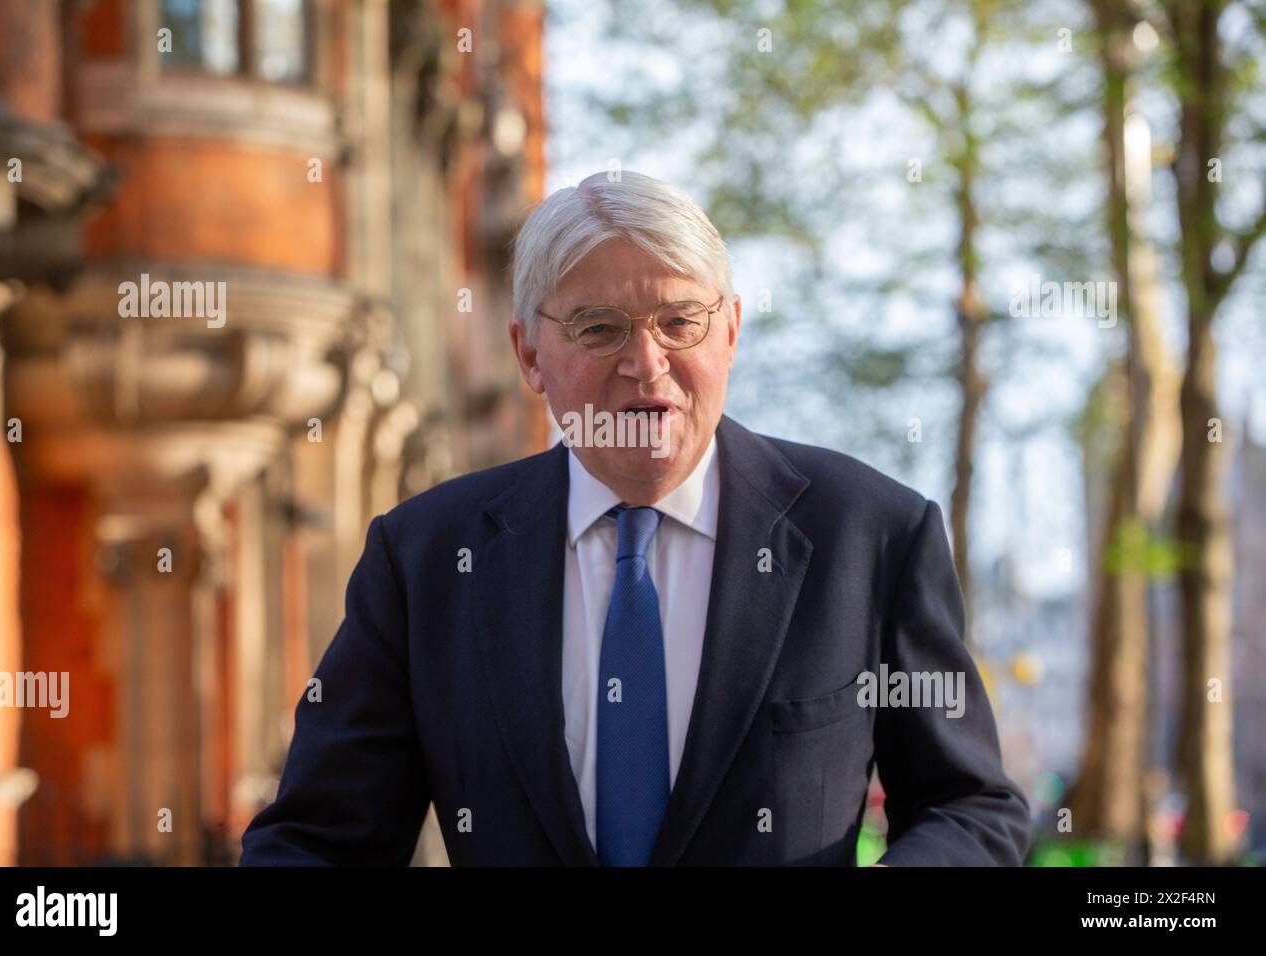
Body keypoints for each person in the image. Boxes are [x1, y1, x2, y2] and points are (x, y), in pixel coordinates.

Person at [240, 171, 1032, 866]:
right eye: (598, 329)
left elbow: (970, 807)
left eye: (679, 322)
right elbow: (318, 841)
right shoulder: (425, 560)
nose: (644, 364)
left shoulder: (871, 537)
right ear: (528, 356)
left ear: (730, 331)